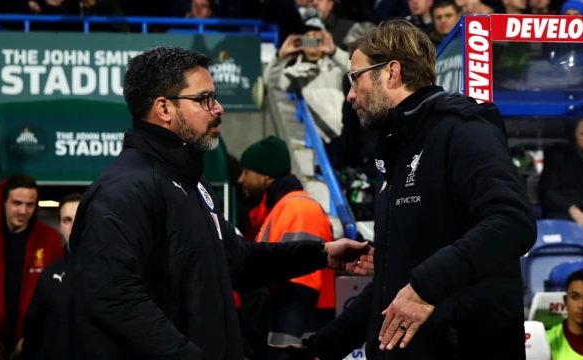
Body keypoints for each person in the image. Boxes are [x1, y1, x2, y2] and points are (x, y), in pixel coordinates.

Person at [66, 46, 373, 360]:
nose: (219, 109)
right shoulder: (125, 188)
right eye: (205, 99)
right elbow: (112, 295)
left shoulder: (192, 183)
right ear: (163, 108)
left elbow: (237, 261)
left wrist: (321, 254)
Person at [273, 19, 536, 359]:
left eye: (356, 78)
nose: (350, 94)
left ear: (391, 72)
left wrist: (425, 287)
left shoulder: (465, 130)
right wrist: (320, 349)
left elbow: (513, 223)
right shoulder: (398, 149)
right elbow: (393, 289)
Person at [236, 136, 348, 359]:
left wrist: (281, 351)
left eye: (246, 171)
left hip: (296, 343)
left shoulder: (299, 210)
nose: (240, 179)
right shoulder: (281, 210)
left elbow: (298, 292)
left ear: (266, 174)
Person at [0, 175, 64, 360]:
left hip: (32, 348)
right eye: (16, 203)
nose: (23, 211)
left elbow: (58, 296)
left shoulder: (49, 239)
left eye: (30, 204)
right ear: (3, 202)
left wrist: (34, 338)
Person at [20, 192, 82, 360]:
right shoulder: (49, 275)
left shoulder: (114, 271)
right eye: (67, 220)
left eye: (79, 218)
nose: (73, 226)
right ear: (60, 226)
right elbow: (33, 333)